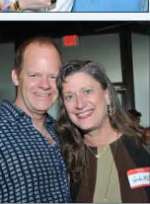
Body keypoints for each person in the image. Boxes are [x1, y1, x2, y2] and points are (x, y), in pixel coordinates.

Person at [0, 37, 70, 203]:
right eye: (34, 75)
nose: (45, 85)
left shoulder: (61, 130)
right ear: (16, 77)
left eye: (53, 76)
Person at [58, 59, 150, 202]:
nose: (80, 104)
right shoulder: (65, 156)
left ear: (107, 96)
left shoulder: (144, 144)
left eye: (87, 91)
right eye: (69, 96)